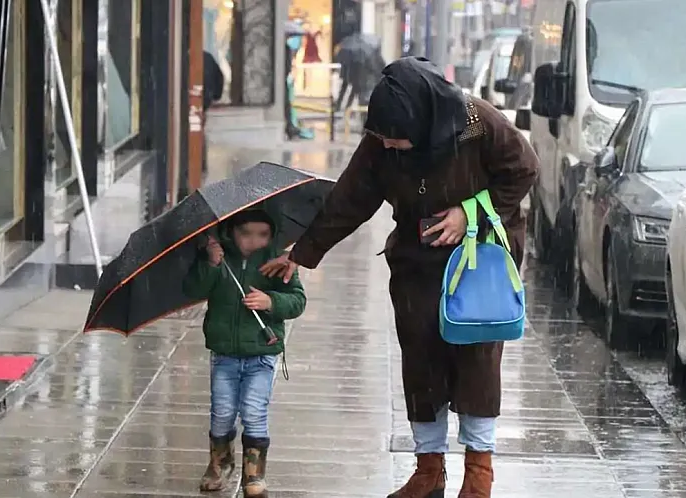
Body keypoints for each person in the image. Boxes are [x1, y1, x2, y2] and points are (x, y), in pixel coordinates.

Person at [260, 57, 538, 497]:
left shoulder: (477, 122)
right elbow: (350, 198)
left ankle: (479, 476)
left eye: (396, 138)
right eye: (383, 138)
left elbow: (524, 170)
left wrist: (467, 214)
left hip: (479, 254)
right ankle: (428, 472)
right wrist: (304, 251)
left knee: (476, 357)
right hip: (417, 258)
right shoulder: (382, 140)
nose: (389, 145)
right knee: (420, 358)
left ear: (424, 119)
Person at [183, 208, 307, 497]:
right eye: (246, 233)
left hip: (261, 353)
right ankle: (220, 463)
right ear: (231, 232)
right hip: (225, 353)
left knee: (254, 411)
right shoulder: (219, 259)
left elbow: (297, 300)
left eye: (262, 235)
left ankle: (254, 475)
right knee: (222, 413)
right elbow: (192, 288)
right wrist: (211, 264)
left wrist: (270, 301)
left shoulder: (278, 262)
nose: (254, 241)